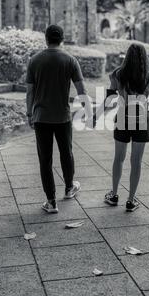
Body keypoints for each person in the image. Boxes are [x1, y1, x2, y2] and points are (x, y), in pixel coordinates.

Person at [26, 25, 92, 214]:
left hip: (41, 117)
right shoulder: (70, 60)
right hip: (63, 117)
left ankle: (51, 201)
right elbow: (82, 90)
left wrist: (29, 113)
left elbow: (29, 92)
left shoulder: (34, 60)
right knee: (66, 153)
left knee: (45, 159)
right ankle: (70, 188)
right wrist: (88, 113)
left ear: (46, 39)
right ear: (62, 39)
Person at [88, 43, 149, 212]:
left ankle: (114, 195)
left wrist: (96, 116)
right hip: (141, 121)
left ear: (126, 57)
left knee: (118, 158)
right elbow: (144, 97)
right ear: (144, 57)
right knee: (136, 162)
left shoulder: (118, 75)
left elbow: (108, 99)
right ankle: (131, 200)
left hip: (123, 119)